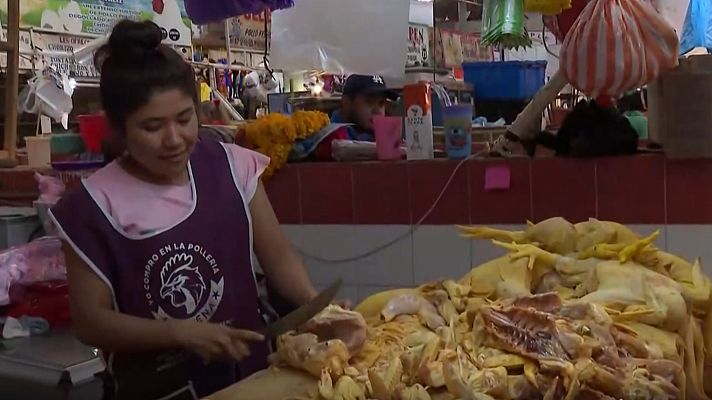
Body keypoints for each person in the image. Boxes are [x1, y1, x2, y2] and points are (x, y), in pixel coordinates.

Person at [49, 20, 321, 400]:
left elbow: (279, 260)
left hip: (252, 381)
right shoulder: (93, 207)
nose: (174, 139)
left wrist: (314, 306)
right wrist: (179, 331)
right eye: (152, 126)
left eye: (184, 118)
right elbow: (91, 323)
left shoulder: (232, 166)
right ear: (117, 128)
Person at [331, 74, 398, 142]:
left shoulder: (385, 135)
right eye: (369, 102)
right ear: (346, 103)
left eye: (381, 103)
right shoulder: (328, 139)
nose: (377, 111)